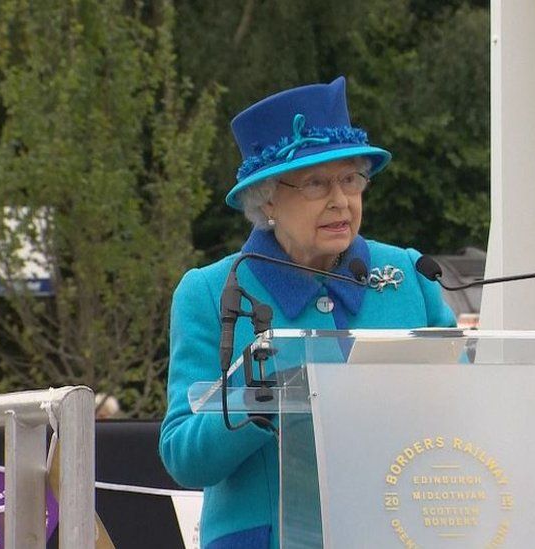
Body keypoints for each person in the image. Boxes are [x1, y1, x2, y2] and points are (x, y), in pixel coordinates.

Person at [159, 76, 456, 549]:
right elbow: (183, 455)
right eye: (317, 183)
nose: (341, 200)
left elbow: (465, 404)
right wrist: (263, 398)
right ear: (268, 198)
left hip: (399, 532)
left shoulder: (408, 272)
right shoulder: (211, 291)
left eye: (350, 179)